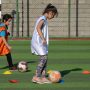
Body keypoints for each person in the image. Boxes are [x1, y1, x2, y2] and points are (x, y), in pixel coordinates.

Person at [31, 3, 58, 84]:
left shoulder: (44, 19)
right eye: (53, 15)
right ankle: (36, 77)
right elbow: (38, 28)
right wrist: (43, 39)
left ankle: (43, 77)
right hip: (38, 41)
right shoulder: (42, 18)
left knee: (45, 59)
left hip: (41, 42)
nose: (53, 17)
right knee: (43, 58)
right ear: (50, 12)